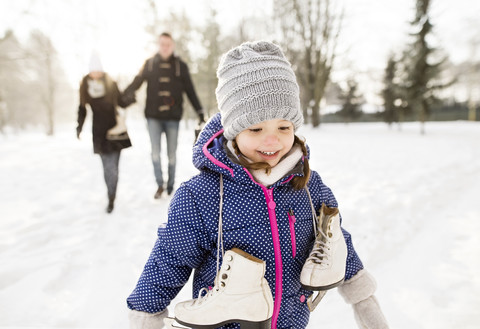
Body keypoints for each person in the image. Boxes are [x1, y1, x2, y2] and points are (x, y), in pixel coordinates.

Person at [126, 41, 388, 329]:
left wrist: (362, 299)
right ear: (234, 131)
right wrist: (145, 316)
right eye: (256, 128)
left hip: (292, 322)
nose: (272, 140)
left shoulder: (307, 185)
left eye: (284, 127)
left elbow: (335, 241)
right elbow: (168, 259)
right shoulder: (202, 196)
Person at [123, 32, 205, 199]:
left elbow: (190, 90)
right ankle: (159, 184)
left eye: (168, 44)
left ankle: (170, 185)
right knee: (155, 152)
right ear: (158, 45)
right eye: (162, 44)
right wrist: (124, 95)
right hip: (153, 116)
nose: (165, 47)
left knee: (172, 154)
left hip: (173, 117)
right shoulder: (150, 63)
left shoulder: (180, 66)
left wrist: (200, 111)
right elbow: (137, 81)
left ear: (172, 45)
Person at [76, 52, 132, 213]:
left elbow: (121, 101)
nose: (96, 74)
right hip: (99, 132)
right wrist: (79, 127)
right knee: (107, 168)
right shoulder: (84, 85)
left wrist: (129, 97)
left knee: (113, 167)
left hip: (115, 131)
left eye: (98, 70)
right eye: (93, 71)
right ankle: (110, 196)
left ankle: (112, 194)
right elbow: (82, 109)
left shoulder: (110, 83)